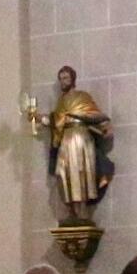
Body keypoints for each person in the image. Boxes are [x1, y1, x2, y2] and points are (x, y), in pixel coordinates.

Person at [27, 66, 114, 222]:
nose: (63, 81)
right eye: (60, 79)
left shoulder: (82, 97)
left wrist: (105, 126)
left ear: (73, 79)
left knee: (80, 172)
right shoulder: (61, 102)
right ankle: (72, 210)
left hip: (80, 137)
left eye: (66, 78)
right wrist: (39, 118)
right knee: (63, 173)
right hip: (65, 139)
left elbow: (94, 114)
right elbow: (56, 121)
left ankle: (82, 212)